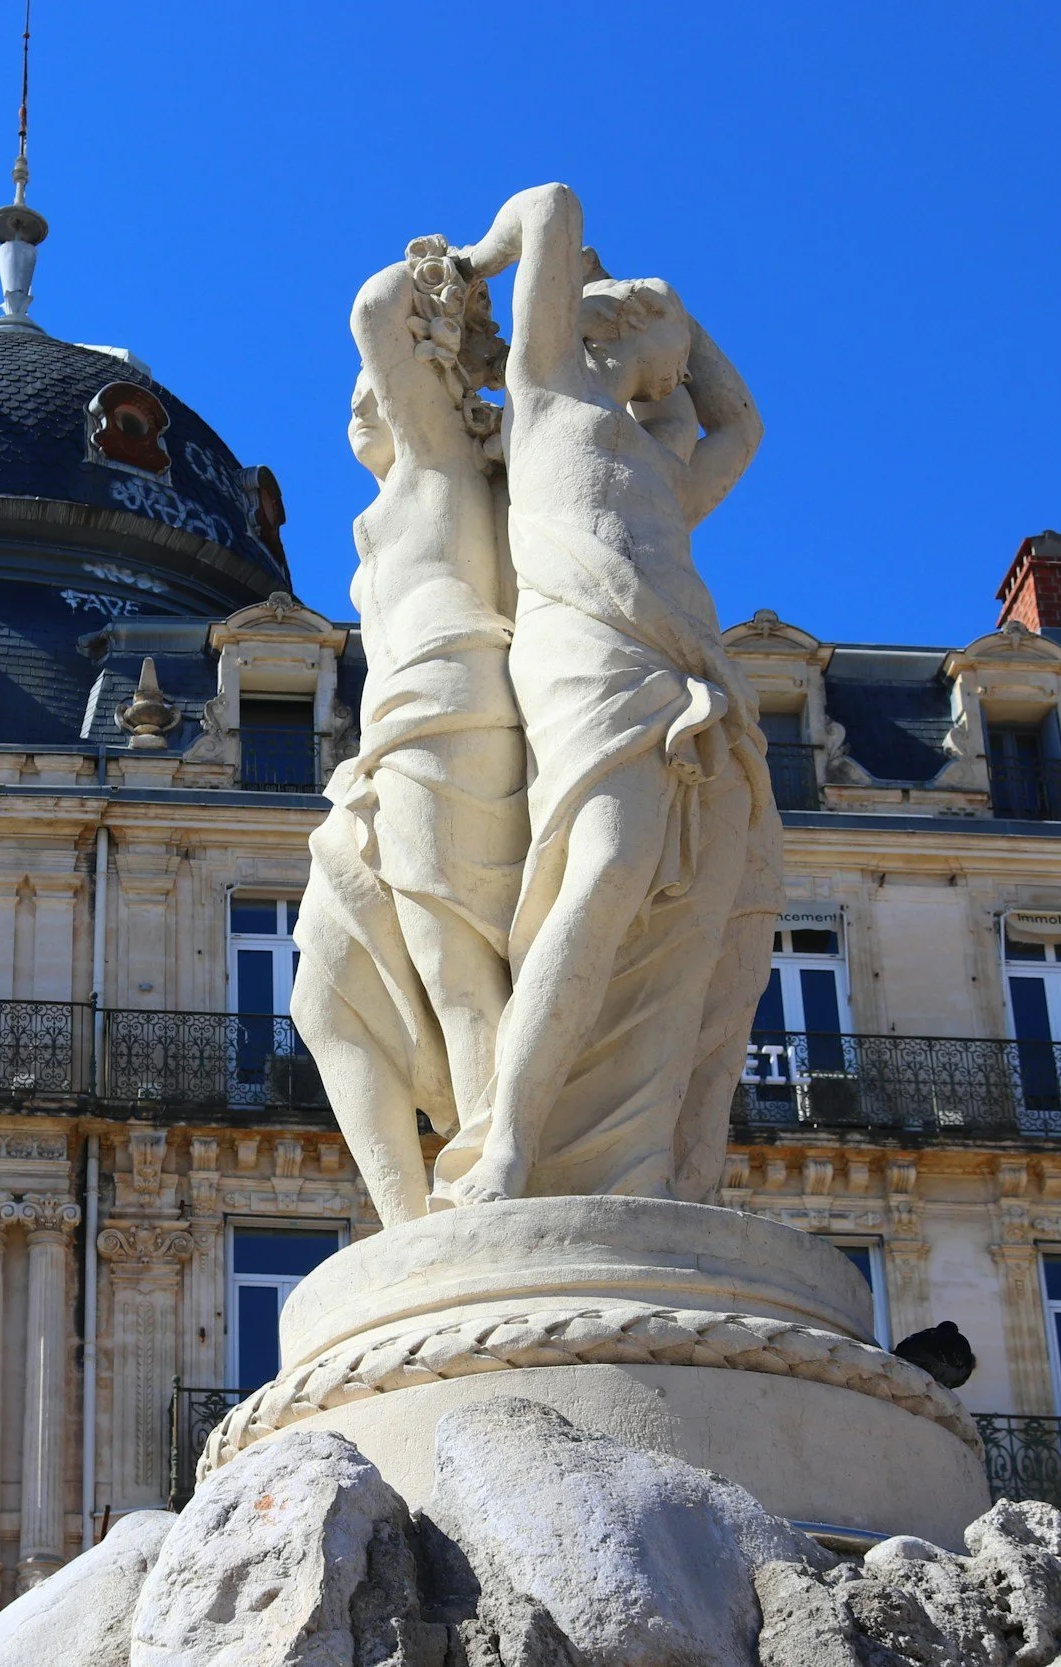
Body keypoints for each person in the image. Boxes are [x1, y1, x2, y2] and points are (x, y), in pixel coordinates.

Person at [443, 182, 782, 1204]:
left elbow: (744, 421)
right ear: (632, 325)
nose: (688, 371)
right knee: (601, 873)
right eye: (675, 335)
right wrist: (473, 264)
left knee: (705, 923)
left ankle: (663, 1163)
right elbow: (548, 204)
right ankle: (507, 1141)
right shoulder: (545, 386)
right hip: (589, 654)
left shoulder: (661, 464)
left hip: (691, 675)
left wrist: (672, 313)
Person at [289, 234, 530, 1225]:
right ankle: (408, 1226)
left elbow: (374, 306)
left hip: (450, 708)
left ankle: (486, 1176)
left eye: (375, 382)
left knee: (453, 961)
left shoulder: (441, 467)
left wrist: (466, 268)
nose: (360, 395)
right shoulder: (408, 487)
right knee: (325, 991)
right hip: (388, 741)